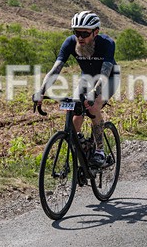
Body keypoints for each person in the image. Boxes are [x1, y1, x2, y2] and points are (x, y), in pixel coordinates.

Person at [33, 11, 119, 167]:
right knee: (74, 108)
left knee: (93, 107)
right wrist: (41, 91)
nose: (80, 37)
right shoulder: (70, 43)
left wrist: (94, 94)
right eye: (77, 32)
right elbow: (55, 70)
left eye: (85, 33)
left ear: (95, 32)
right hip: (87, 77)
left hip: (109, 77)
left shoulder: (107, 43)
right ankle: (80, 146)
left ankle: (99, 151)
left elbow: (105, 74)